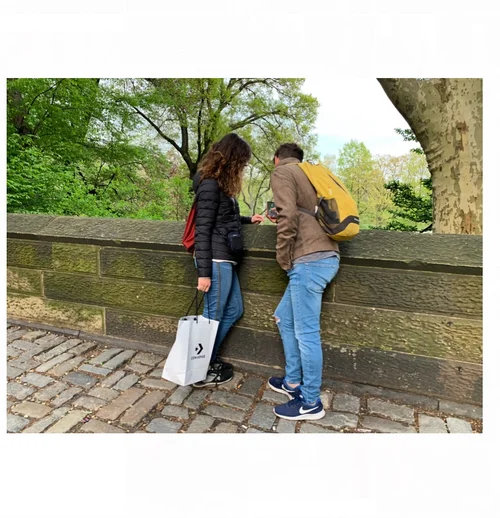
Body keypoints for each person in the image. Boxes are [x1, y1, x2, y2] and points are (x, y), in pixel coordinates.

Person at [266, 143, 340, 420]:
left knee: (307, 333)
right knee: (283, 318)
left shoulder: (282, 173)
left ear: (278, 158)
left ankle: (310, 402)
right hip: (325, 254)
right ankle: (293, 382)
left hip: (309, 260)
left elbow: (287, 216)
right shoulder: (310, 173)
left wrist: (283, 257)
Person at [191, 133, 264, 388]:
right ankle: (199, 370)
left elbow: (222, 218)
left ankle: (206, 361)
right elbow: (202, 229)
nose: (244, 167)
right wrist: (204, 273)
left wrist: (248, 220)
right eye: (242, 162)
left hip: (224, 258)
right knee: (212, 316)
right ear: (233, 159)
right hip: (215, 260)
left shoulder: (220, 184)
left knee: (233, 310)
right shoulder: (210, 185)